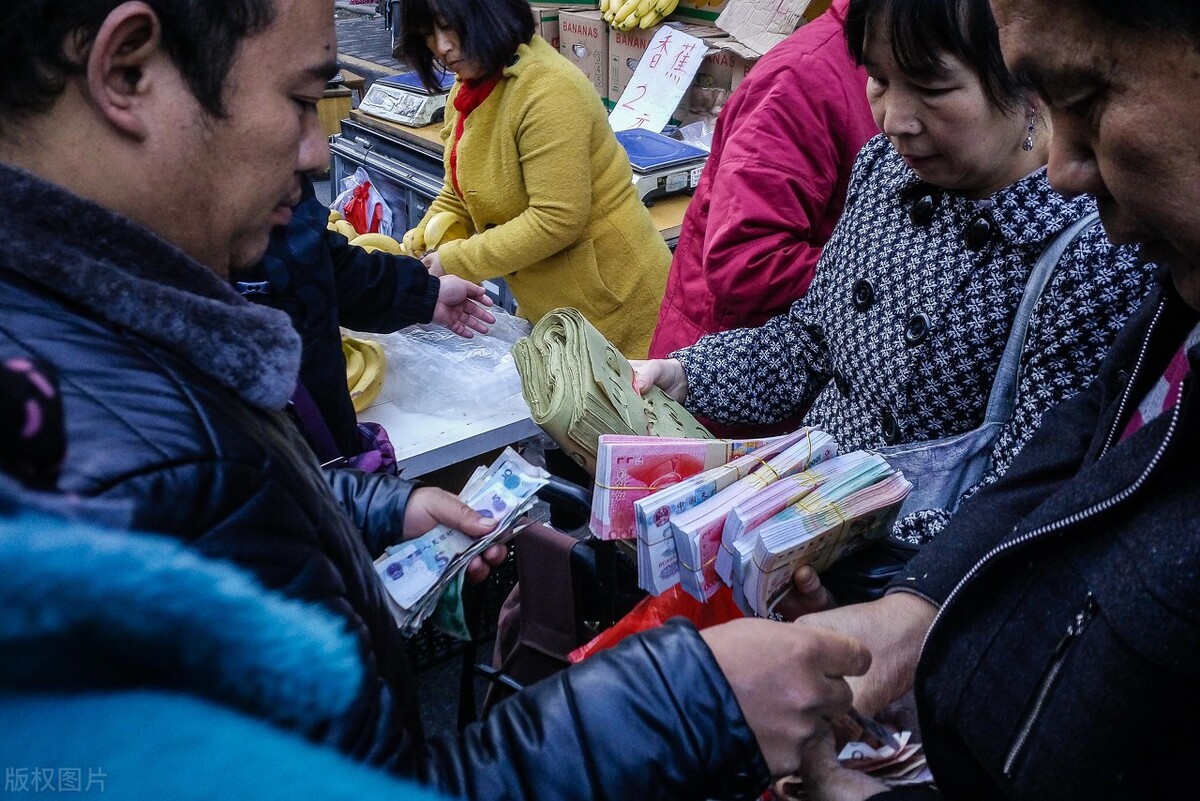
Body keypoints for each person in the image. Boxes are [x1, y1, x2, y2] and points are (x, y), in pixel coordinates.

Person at [0, 1, 875, 798]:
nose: (315, 154)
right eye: (305, 100)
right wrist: (694, 694)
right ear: (126, 74)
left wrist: (371, 504)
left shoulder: (95, 354)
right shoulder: (130, 456)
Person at [791, 0, 1200, 797]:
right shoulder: (1176, 304)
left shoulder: (1096, 258)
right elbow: (1075, 451)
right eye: (877, 82)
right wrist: (917, 610)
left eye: (1079, 102)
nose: (1065, 167)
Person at [633, 0, 1155, 563]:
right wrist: (687, 374)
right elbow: (812, 342)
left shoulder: (1091, 250)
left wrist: (866, 560)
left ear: (1026, 79)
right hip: (800, 523)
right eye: (879, 80)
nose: (894, 119)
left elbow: (1027, 490)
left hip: (916, 576)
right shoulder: (883, 171)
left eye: (931, 87)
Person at [395, 0, 671, 359]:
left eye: (448, 26)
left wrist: (455, 260)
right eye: (428, 35)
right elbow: (460, 190)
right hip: (555, 309)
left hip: (619, 309)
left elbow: (556, 219)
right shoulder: (469, 91)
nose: (442, 47)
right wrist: (427, 236)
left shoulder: (549, 90)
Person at [648, 0, 877, 382]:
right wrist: (887, 278)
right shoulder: (803, 78)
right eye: (883, 85)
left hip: (803, 370)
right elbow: (744, 261)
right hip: (734, 369)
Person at [234, 173, 496, 459]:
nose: (318, 154)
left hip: (317, 451)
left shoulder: (268, 179)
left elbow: (319, 264)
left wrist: (425, 294)